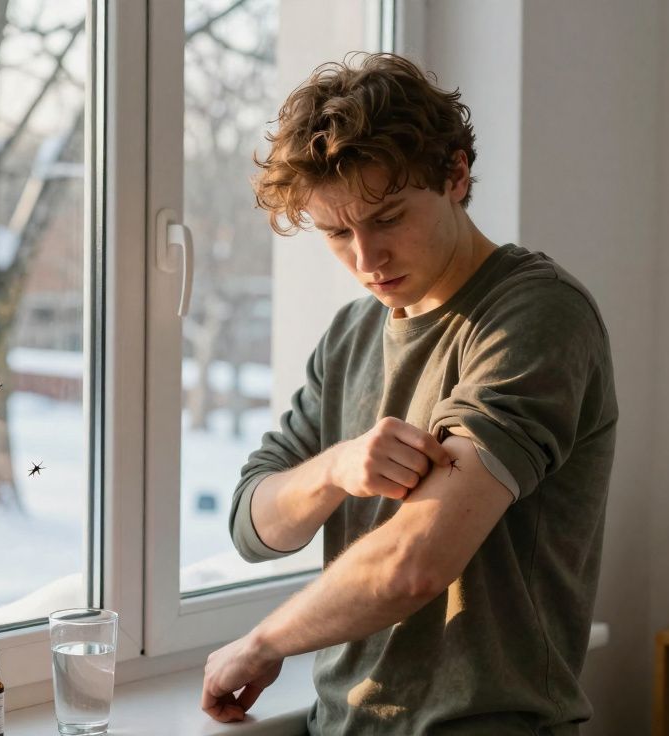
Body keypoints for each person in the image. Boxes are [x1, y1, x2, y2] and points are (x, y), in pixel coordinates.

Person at [199, 52, 619, 734]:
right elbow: (255, 526)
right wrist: (336, 467)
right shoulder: (354, 332)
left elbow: (415, 565)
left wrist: (262, 642)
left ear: (454, 175)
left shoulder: (537, 315)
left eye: (387, 218)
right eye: (337, 232)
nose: (366, 259)